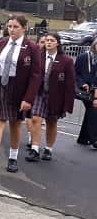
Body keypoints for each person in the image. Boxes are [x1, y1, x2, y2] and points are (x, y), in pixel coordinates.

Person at [0, 15, 41, 176]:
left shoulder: (31, 47)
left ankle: (13, 157)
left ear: (24, 28)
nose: (11, 29)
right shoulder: (1, 44)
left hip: (19, 88)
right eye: (9, 26)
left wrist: (28, 98)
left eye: (16, 26)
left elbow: (36, 75)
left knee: (15, 125)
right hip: (1, 86)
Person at [25, 33, 75, 162]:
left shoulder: (66, 61)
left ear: (57, 43)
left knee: (51, 122)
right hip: (39, 93)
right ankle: (35, 148)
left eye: (52, 40)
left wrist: (67, 104)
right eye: (47, 40)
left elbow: (70, 84)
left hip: (55, 96)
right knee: (35, 118)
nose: (48, 43)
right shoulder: (38, 56)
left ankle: (48, 148)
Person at [75, 40, 97, 148]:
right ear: (94, 45)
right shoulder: (83, 57)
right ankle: (94, 139)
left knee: (90, 111)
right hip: (85, 90)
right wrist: (82, 83)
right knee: (93, 109)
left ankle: (83, 138)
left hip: (95, 88)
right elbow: (76, 73)